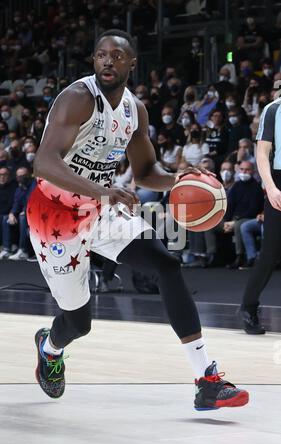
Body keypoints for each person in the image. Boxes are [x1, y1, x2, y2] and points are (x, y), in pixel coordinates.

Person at [28, 29, 249, 410]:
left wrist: (181, 179)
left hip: (100, 208)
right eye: (100, 55)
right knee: (78, 323)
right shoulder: (78, 98)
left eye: (116, 56)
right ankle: (50, 348)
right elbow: (43, 163)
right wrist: (102, 190)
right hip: (55, 215)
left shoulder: (135, 110)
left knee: (166, 263)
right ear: (93, 61)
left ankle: (206, 380)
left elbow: (146, 172)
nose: (107, 61)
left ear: (132, 63)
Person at [239, 95, 281, 335]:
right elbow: (262, 153)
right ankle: (248, 307)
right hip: (278, 182)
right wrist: (271, 187)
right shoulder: (273, 110)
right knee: (271, 252)